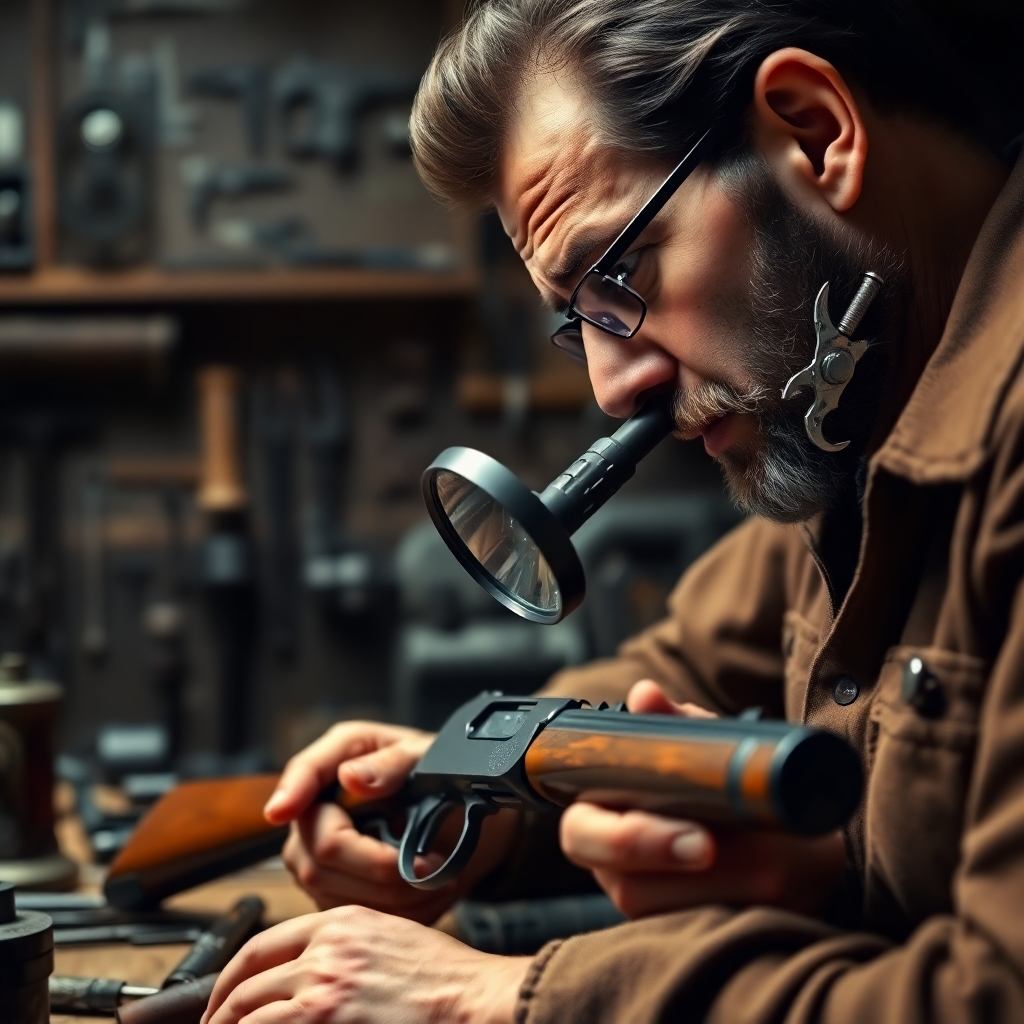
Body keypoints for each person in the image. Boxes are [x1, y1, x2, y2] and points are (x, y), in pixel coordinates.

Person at [200, 1, 1024, 1021]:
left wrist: (502, 999)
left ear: (815, 132)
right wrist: (479, 793)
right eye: (576, 319)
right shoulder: (860, 410)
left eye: (620, 274)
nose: (612, 386)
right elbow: (681, 666)